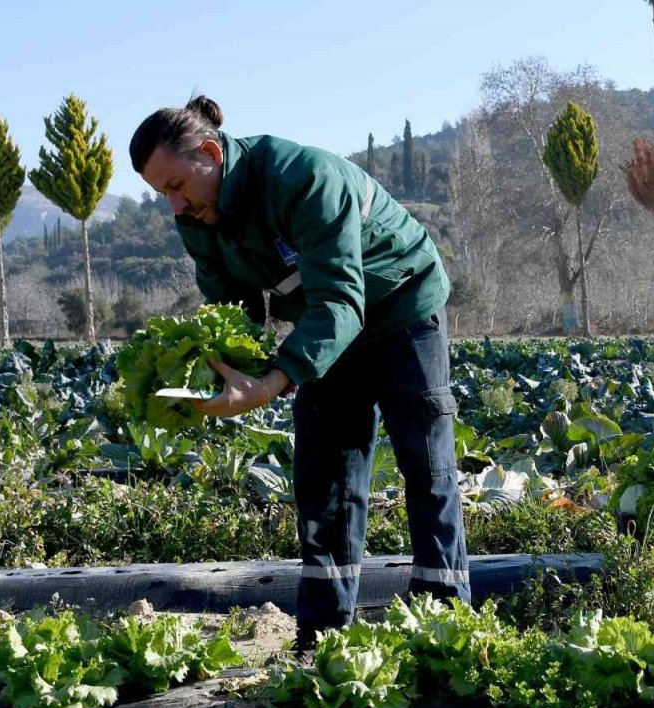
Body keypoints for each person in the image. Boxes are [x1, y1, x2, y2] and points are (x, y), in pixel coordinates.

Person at [129, 96, 470, 650]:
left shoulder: (303, 177)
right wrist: (219, 371)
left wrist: (273, 380)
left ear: (211, 154)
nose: (173, 206)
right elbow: (231, 315)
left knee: (425, 462)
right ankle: (323, 634)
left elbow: (342, 299)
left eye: (175, 185)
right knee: (325, 471)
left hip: (400, 305)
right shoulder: (198, 217)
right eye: (161, 192)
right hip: (325, 321)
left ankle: (445, 626)